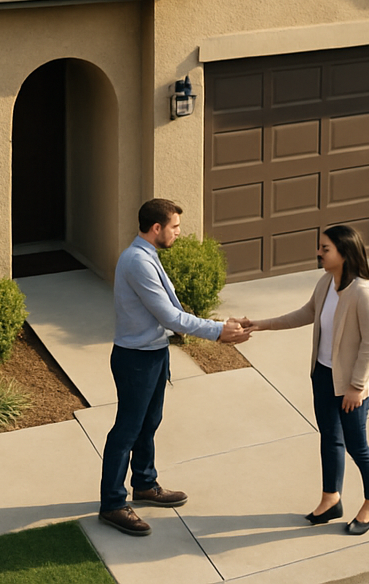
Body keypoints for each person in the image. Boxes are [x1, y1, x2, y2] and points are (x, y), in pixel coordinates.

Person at [98, 197, 252, 537]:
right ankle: (111, 503)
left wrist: (222, 324)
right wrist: (217, 331)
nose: (179, 233)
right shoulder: (137, 261)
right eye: (175, 227)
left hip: (152, 353)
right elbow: (169, 316)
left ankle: (145, 484)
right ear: (157, 228)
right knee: (126, 430)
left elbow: (171, 309)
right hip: (135, 359)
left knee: (149, 423)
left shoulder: (147, 256)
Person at [240, 225, 369, 535]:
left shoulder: (362, 291)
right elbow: (305, 314)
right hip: (323, 375)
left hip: (350, 384)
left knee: (358, 447)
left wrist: (357, 387)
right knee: (329, 439)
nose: (319, 252)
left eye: (325, 248)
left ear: (344, 254)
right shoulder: (326, 284)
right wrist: (260, 325)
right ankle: (331, 498)